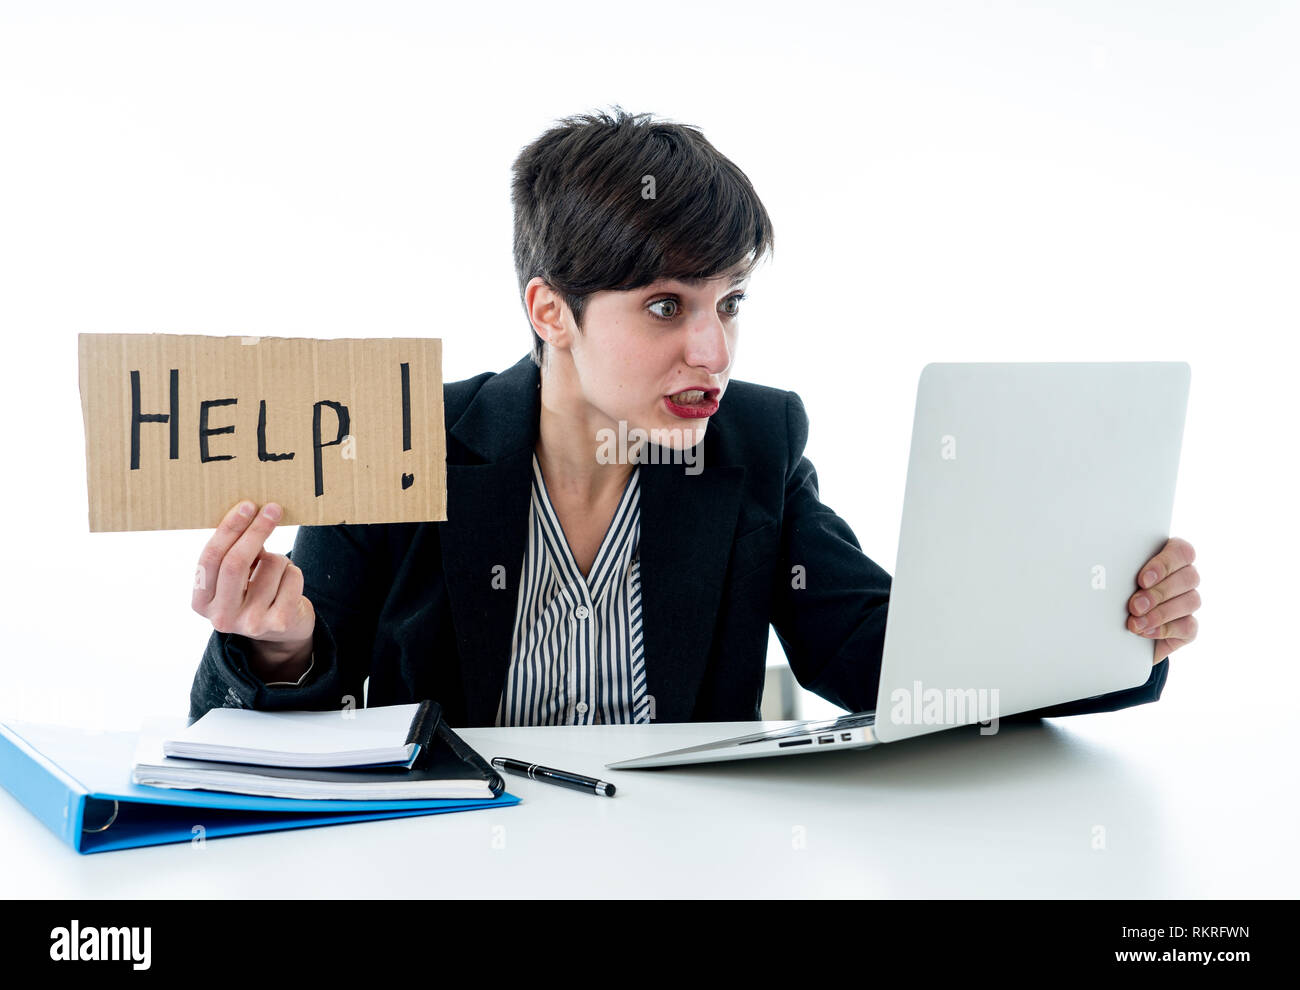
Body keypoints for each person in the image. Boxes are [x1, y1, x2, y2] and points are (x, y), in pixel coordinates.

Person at [188, 107, 1201, 727]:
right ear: (552, 312)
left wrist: (1104, 630)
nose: (712, 351)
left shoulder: (756, 445)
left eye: (730, 302)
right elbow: (253, 726)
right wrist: (279, 649)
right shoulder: (406, 440)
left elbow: (879, 659)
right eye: (666, 306)